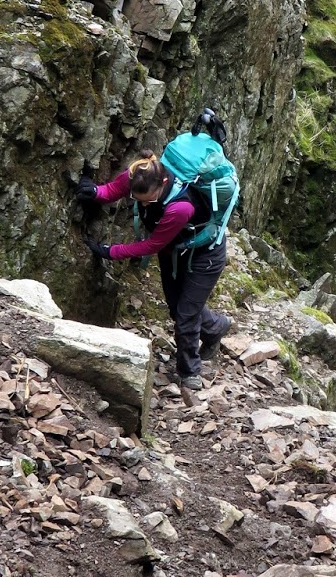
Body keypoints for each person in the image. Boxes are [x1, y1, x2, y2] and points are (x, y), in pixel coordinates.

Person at [76, 109, 234, 391]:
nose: (144, 205)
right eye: (139, 200)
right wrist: (95, 193)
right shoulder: (141, 172)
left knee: (185, 314)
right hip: (176, 250)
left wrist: (110, 251)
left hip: (205, 255)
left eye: (148, 201)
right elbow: (115, 189)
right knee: (178, 307)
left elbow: (152, 244)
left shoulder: (180, 207)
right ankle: (216, 327)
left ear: (162, 184)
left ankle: (189, 373)